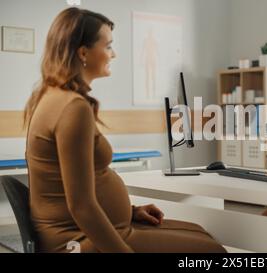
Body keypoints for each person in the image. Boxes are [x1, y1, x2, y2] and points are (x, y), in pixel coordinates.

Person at [24, 7, 226, 253]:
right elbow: (81, 206)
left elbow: (72, 191)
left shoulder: (52, 95)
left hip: (95, 229)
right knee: (213, 252)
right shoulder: (72, 108)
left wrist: (130, 212)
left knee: (200, 232)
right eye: (108, 46)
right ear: (84, 52)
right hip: (76, 242)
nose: (114, 54)